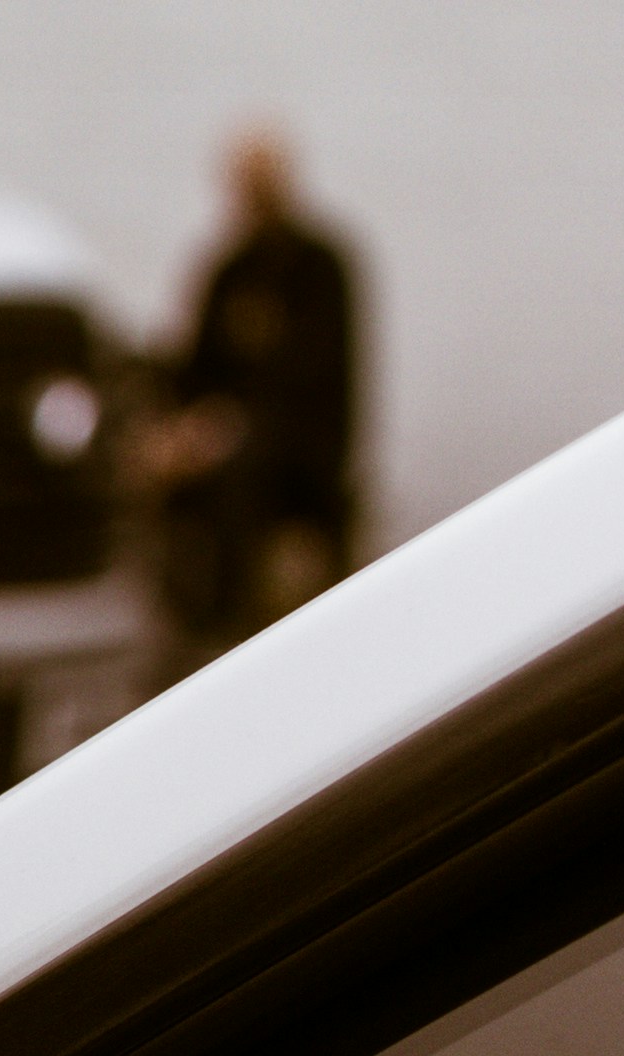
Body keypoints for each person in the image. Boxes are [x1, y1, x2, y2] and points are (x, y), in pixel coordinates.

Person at [146, 125, 360, 660]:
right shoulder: (229, 269)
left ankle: (232, 632)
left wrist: (225, 426)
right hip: (231, 436)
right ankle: (177, 628)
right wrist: (171, 429)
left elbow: (316, 374)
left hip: (303, 446)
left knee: (239, 472)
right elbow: (195, 367)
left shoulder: (323, 266)